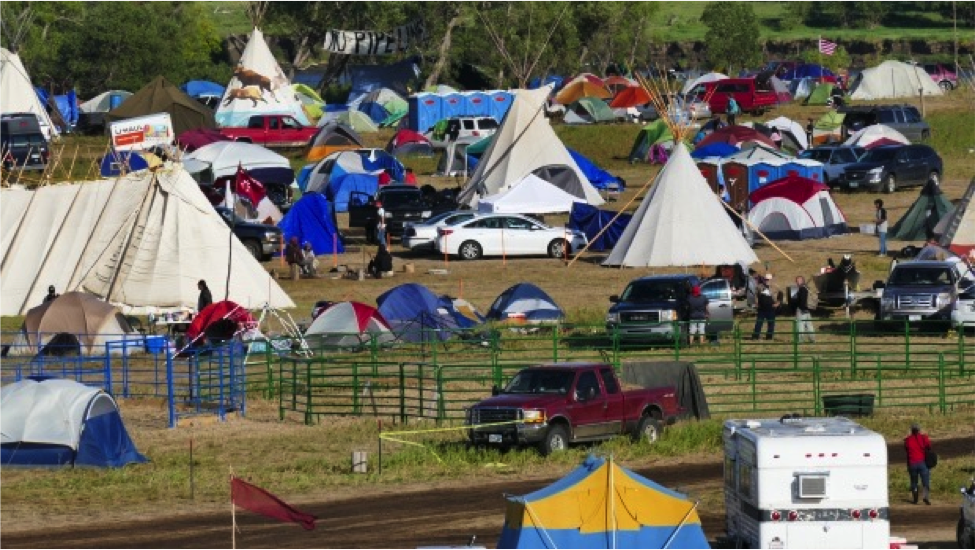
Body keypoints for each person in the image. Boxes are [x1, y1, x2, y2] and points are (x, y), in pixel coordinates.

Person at [904, 423, 932, 505]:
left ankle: (915, 498)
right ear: (919, 430)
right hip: (922, 462)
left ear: (911, 430)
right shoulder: (924, 437)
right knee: (925, 481)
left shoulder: (908, 440)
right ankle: (925, 497)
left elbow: (906, 449)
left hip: (912, 463)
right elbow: (929, 447)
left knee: (914, 481)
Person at [794, 276, 815, 343]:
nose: (797, 282)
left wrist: (800, 307)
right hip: (808, 310)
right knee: (809, 326)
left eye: (798, 281)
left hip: (801, 310)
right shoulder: (807, 288)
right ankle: (812, 339)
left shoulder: (801, 289)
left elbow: (801, 301)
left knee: (800, 326)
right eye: (796, 281)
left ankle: (800, 340)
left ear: (802, 281)